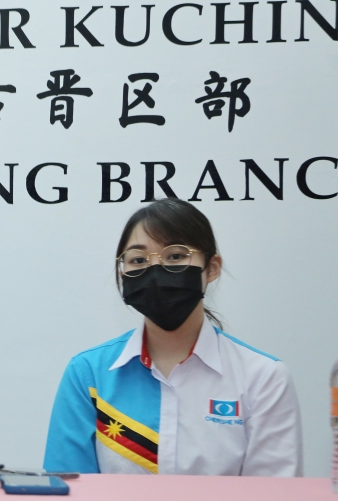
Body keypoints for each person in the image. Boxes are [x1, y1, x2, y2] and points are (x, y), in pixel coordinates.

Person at [43, 198, 302, 476]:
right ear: (123, 271)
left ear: (212, 267)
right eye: (138, 260)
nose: (156, 271)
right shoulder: (88, 373)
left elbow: (274, 498)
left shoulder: (263, 377)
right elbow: (68, 492)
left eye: (175, 256)